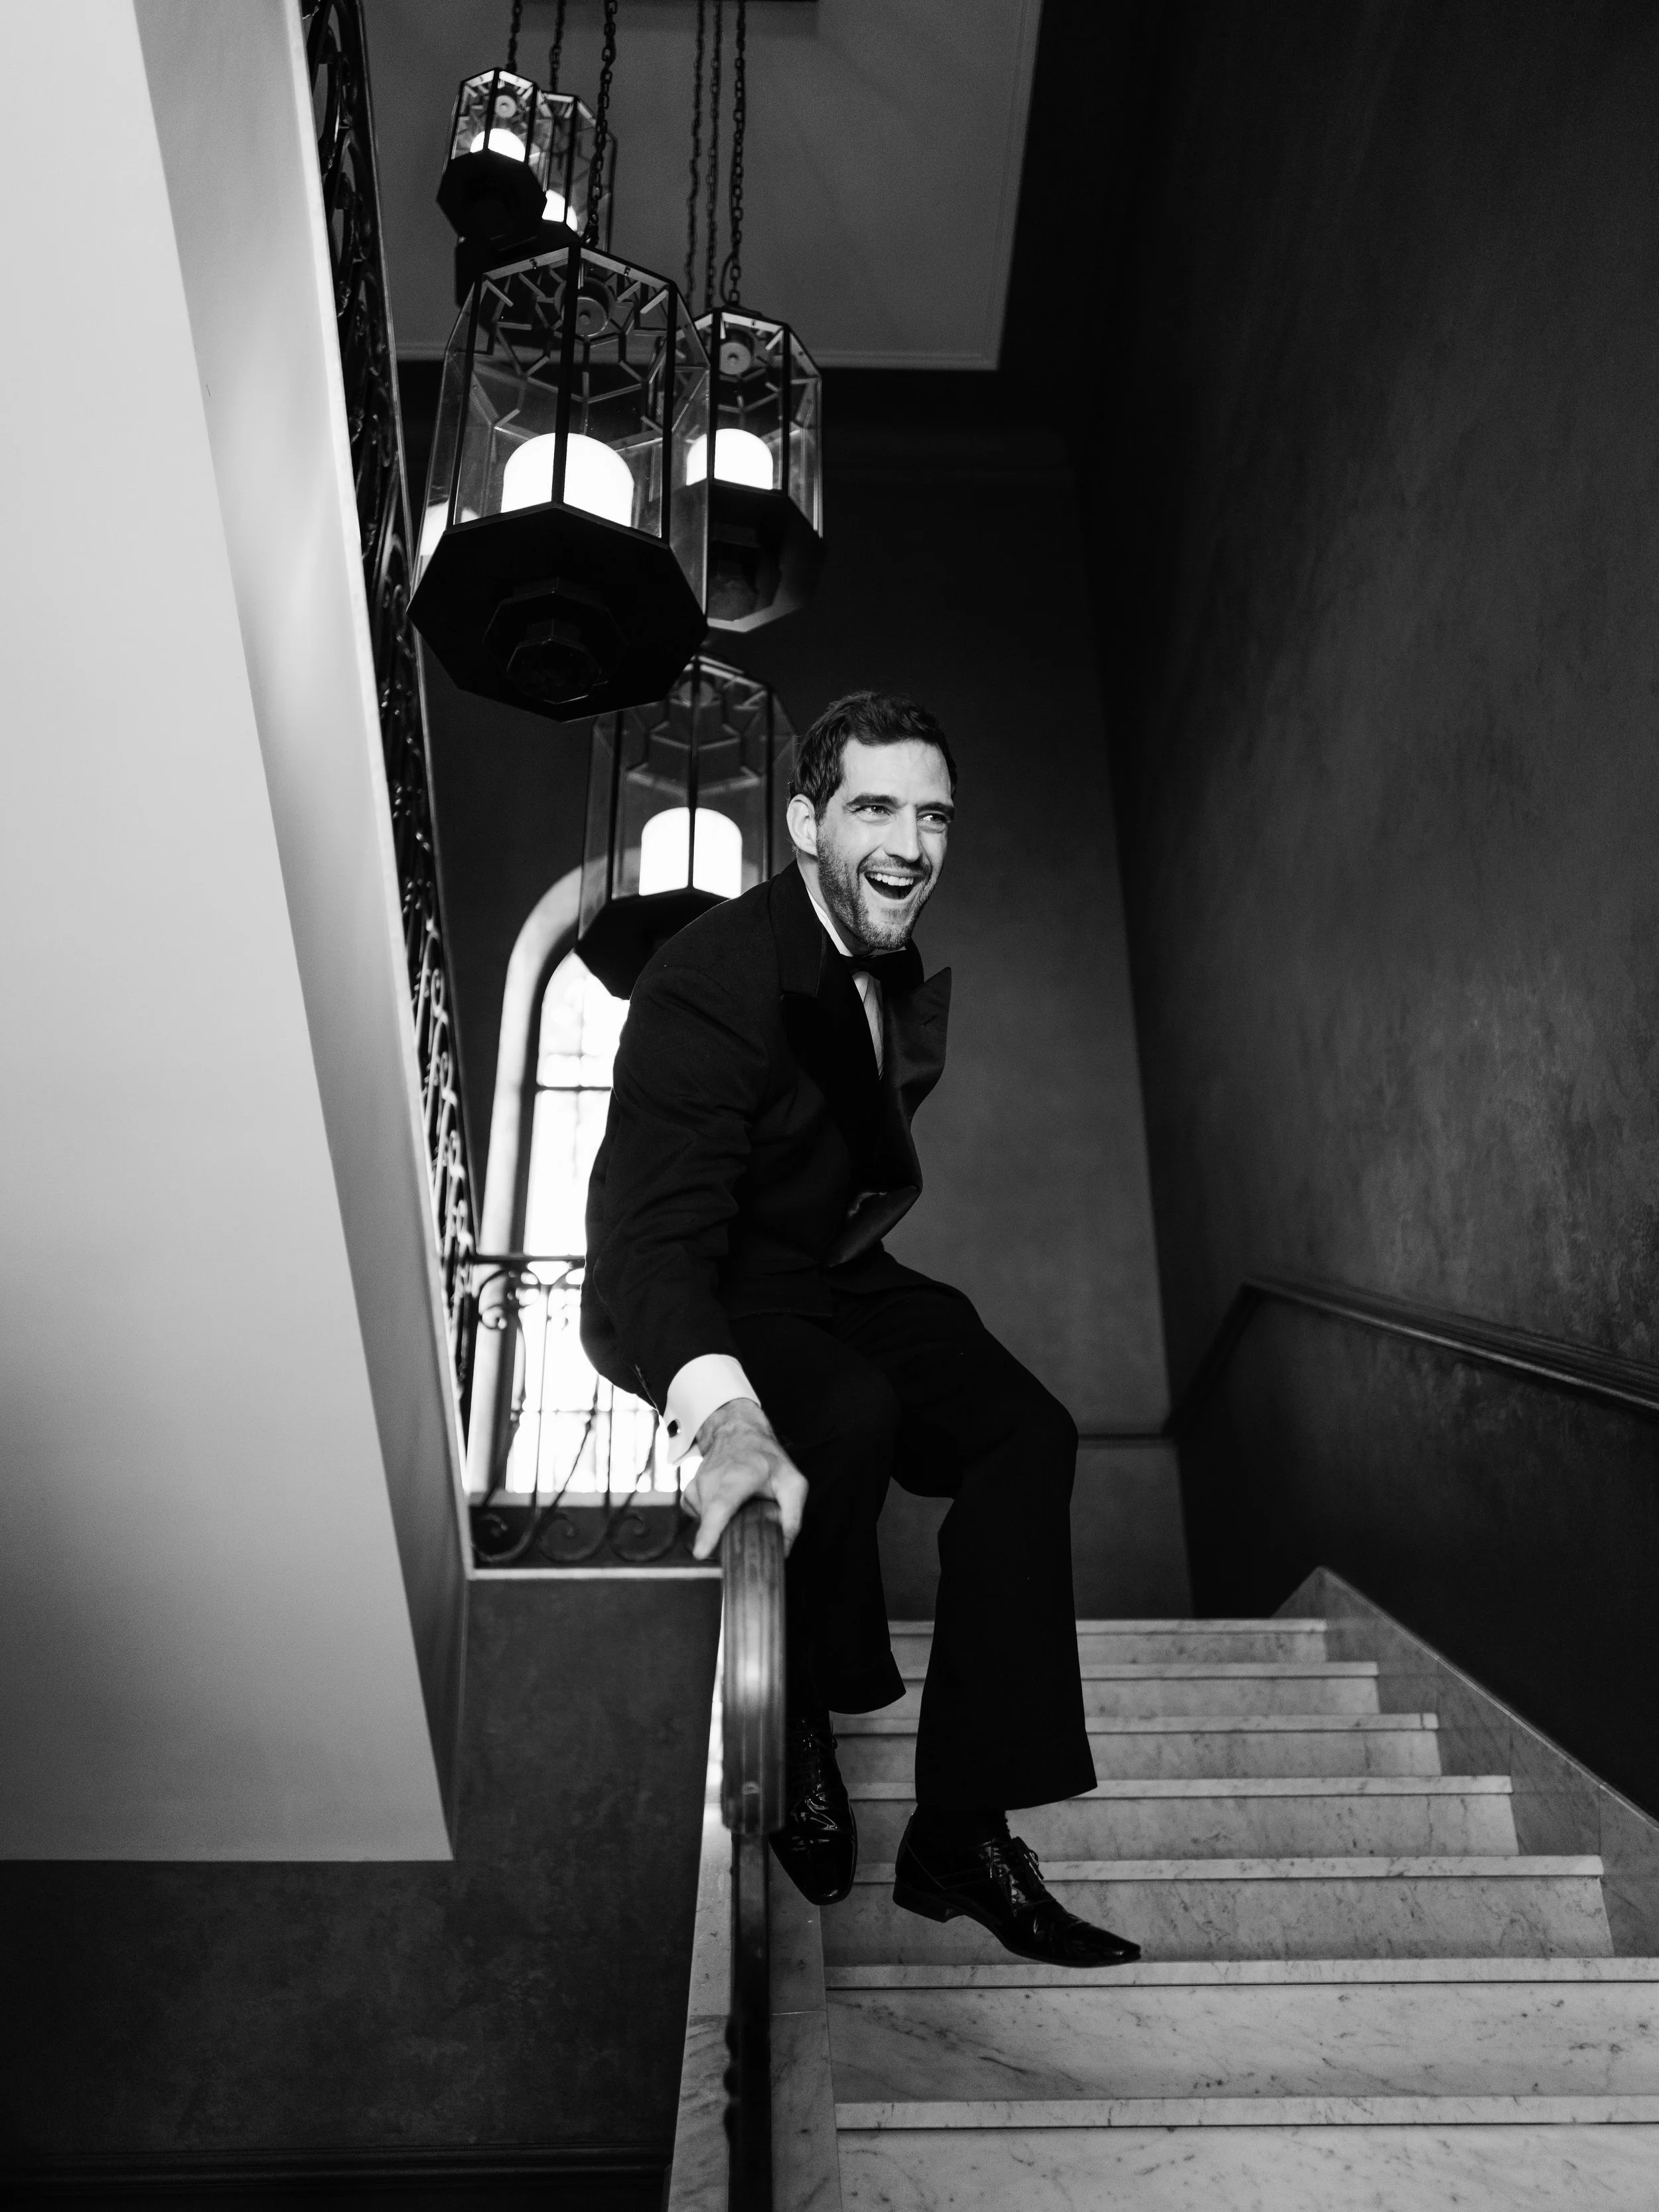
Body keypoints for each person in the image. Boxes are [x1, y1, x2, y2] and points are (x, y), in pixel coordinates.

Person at [582, 691, 1139, 1968]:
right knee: (846, 1411)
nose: (909, 840)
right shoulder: (709, 977)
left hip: (836, 1268)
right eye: (874, 806)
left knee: (1025, 1433)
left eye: (932, 813)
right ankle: (798, 1730)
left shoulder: (876, 956)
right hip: (705, 1280)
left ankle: (960, 1832)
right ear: (804, 822)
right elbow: (652, 1242)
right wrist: (721, 1414)